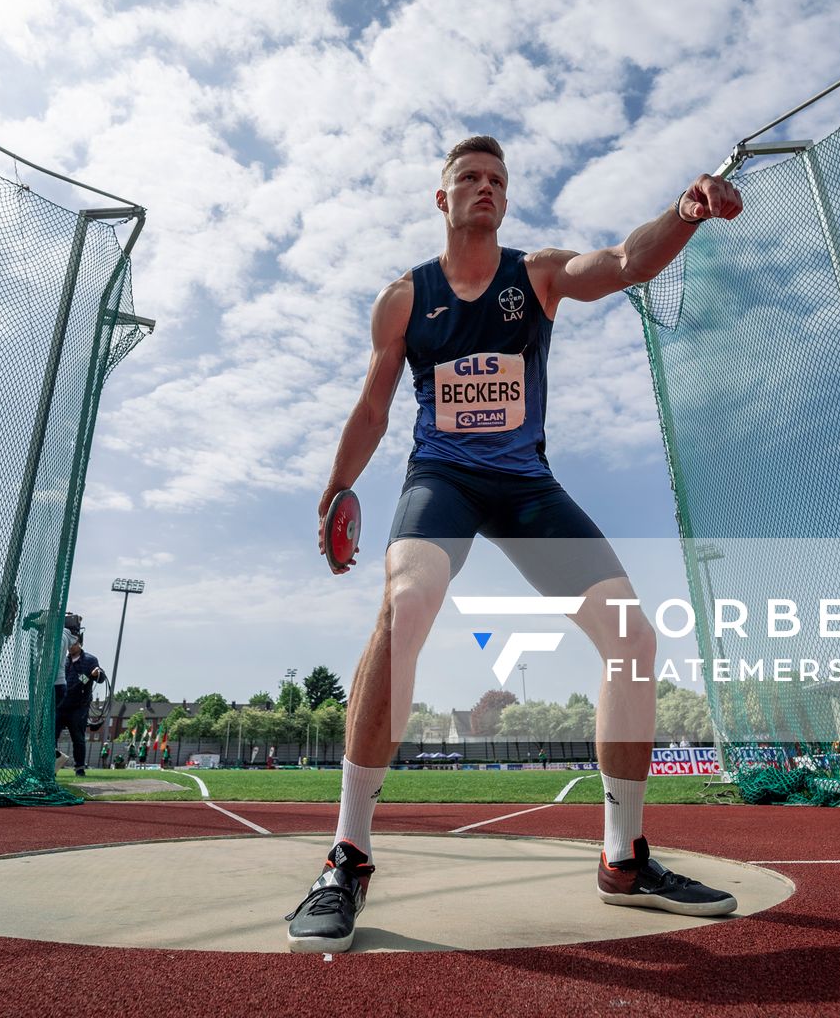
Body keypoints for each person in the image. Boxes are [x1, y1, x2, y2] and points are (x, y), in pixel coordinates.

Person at [284, 136, 743, 953]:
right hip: (444, 481)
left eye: (497, 179)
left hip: (525, 487)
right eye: (470, 178)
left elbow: (624, 263)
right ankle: (346, 856)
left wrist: (684, 211)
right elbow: (373, 408)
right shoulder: (403, 300)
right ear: (444, 198)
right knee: (407, 603)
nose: (485, 188)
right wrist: (337, 485)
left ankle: (624, 859)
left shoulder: (536, 278)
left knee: (633, 638)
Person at [55, 616, 105, 777]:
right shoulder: (63, 658)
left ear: (80, 643)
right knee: (51, 736)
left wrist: (96, 674)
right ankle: (53, 765)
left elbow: (99, 678)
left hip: (78, 707)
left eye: (74, 643)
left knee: (78, 738)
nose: (70, 646)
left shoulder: (90, 660)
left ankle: (79, 768)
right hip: (60, 704)